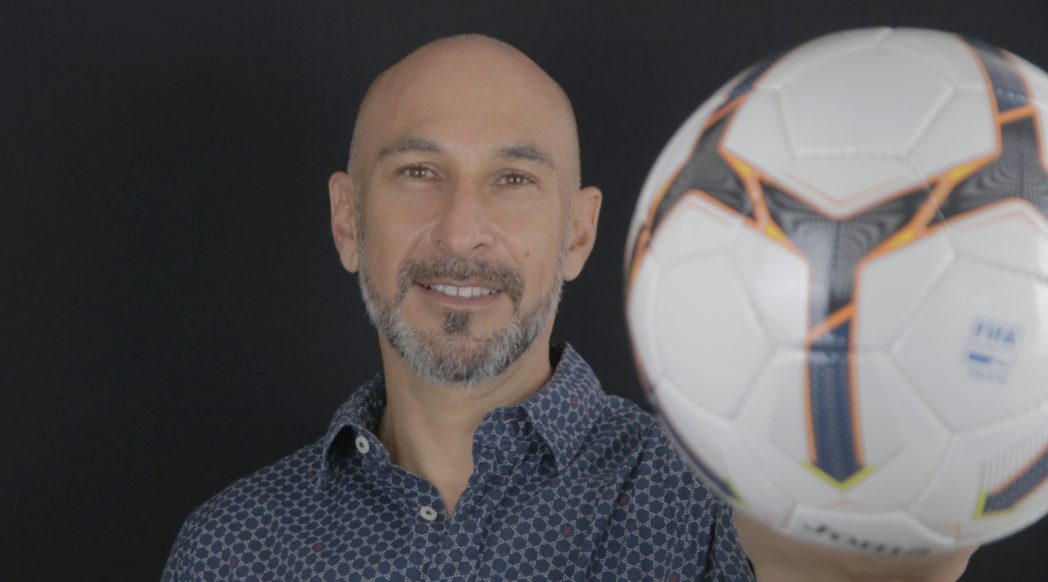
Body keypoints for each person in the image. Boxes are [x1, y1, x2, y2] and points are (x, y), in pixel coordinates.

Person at [163, 34, 975, 581]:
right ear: (348, 221)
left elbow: (876, 560)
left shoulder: (716, 506)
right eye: (419, 172)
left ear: (578, 235)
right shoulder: (230, 551)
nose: (462, 229)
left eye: (514, 180)